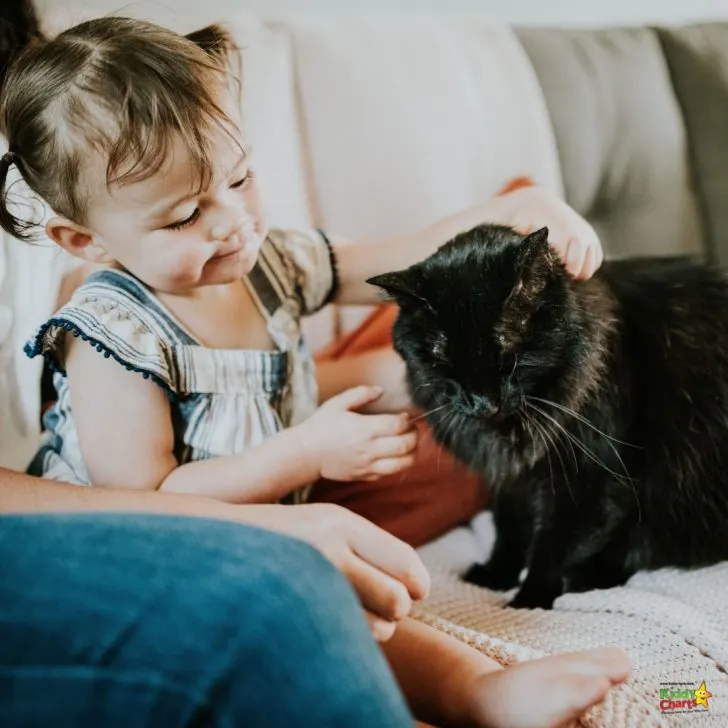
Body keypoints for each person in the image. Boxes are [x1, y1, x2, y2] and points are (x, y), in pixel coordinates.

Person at [0, 9, 629, 727]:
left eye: (239, 178)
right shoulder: (110, 337)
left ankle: (479, 689)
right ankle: (465, 691)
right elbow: (155, 495)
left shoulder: (268, 264)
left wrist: (513, 210)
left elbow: (408, 255)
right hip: (141, 561)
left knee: (357, 611)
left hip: (260, 535)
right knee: (328, 610)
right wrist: (304, 451)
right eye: (182, 216)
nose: (232, 221)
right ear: (81, 237)